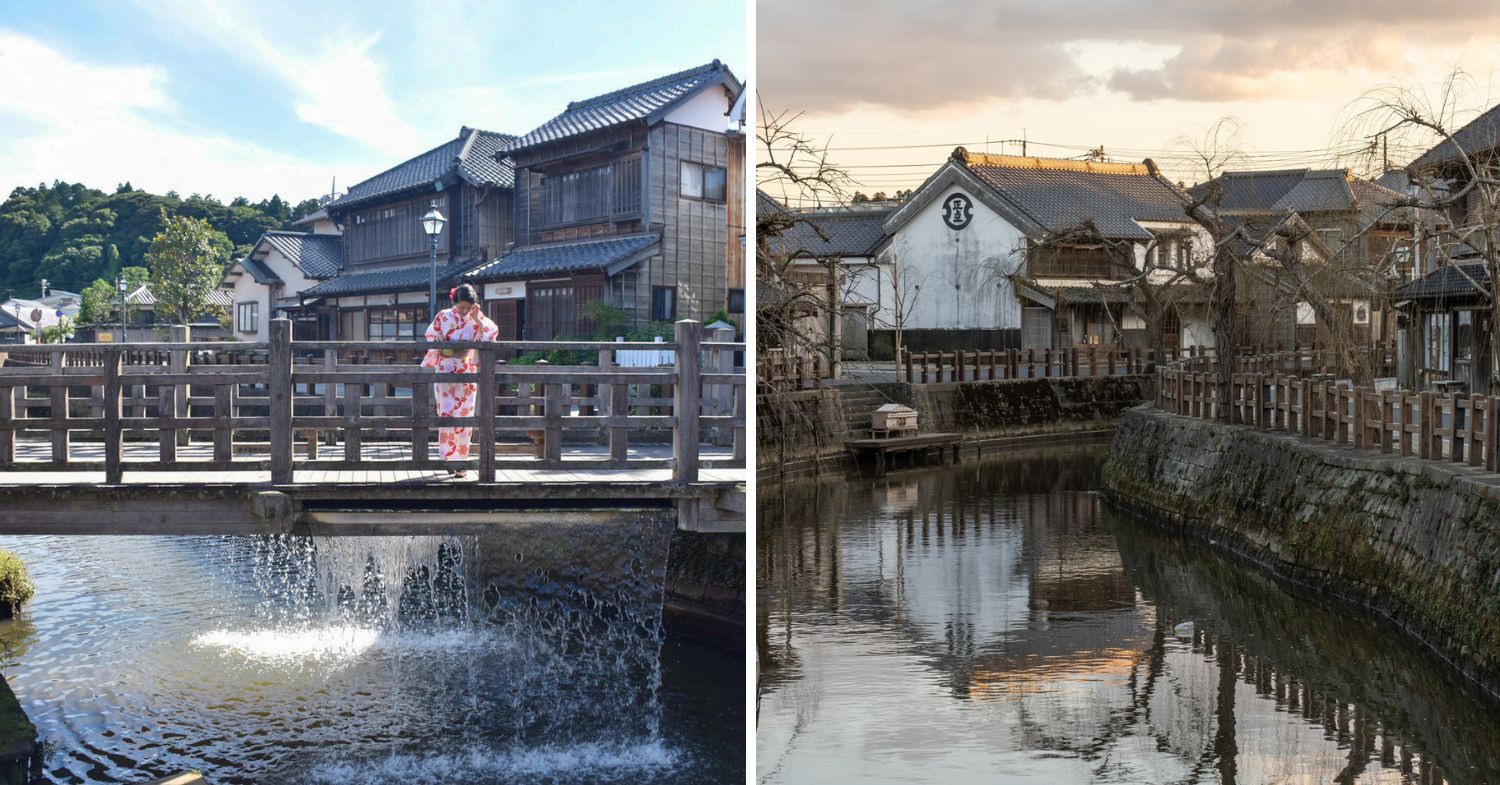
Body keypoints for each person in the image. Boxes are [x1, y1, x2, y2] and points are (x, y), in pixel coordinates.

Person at [421, 283, 498, 478]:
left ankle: (461, 462)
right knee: (446, 416)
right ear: (454, 302)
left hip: (467, 372)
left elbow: (490, 336)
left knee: (465, 419)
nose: (464, 311)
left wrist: (477, 320)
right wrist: (443, 347)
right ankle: (448, 460)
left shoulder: (476, 317)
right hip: (446, 370)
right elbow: (431, 336)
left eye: (468, 307)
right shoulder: (443, 316)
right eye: (461, 306)